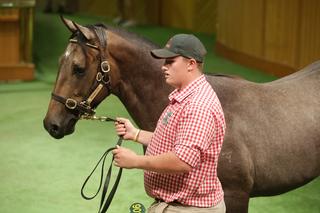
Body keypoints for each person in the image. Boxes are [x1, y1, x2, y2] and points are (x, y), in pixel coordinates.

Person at [112, 34, 226, 213]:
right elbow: (174, 141)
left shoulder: (198, 106)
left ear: (191, 64)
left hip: (189, 209)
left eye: (170, 61)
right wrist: (135, 134)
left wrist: (135, 161)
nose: (163, 67)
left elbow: (182, 161)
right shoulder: (184, 96)